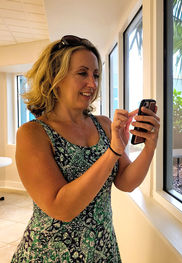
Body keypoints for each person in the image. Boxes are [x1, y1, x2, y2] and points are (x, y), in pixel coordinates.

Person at [11, 35, 160, 263]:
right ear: (55, 77)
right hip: (50, 255)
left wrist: (150, 146)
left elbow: (125, 182)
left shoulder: (103, 125)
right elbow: (61, 208)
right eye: (82, 73)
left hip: (101, 250)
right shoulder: (33, 134)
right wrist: (112, 153)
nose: (92, 84)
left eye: (96, 75)